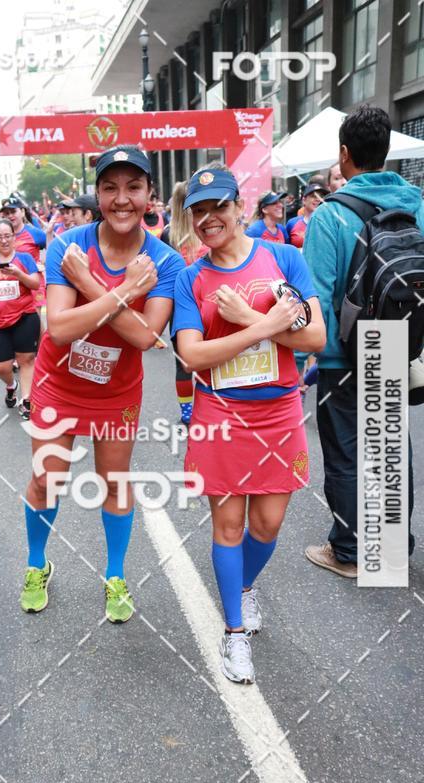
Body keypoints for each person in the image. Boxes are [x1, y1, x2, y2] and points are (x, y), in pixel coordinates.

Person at [172, 165, 325, 683]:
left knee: (267, 526)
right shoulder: (190, 278)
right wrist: (262, 325)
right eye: (199, 210)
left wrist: (246, 322)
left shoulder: (285, 258)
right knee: (229, 527)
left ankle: (242, 586)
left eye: (218, 206)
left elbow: (314, 338)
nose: (210, 218)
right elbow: (192, 355)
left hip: (280, 411)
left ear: (240, 206)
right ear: (191, 219)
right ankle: (233, 634)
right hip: (221, 414)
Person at [20, 145, 184, 620]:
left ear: (150, 194)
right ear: (97, 193)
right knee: (47, 479)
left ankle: (115, 575)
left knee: (114, 482)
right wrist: (126, 291)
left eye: (133, 187)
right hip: (59, 382)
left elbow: (145, 335)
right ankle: (36, 563)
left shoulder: (165, 262)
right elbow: (61, 328)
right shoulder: (67, 246)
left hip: (116, 392)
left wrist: (95, 287)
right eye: (110, 187)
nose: (121, 199)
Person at [302, 105, 420, 576]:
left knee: (348, 450)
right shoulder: (416, 202)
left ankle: (350, 552)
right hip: (395, 340)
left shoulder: (330, 215)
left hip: (343, 351)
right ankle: (391, 550)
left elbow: (316, 293)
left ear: (344, 154)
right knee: (389, 445)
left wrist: (318, 355)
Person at [0, 218, 41, 413]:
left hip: (25, 316)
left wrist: (19, 274)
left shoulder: (25, 258)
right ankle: (11, 386)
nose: (4, 241)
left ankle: (27, 401)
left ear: (14, 237)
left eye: (7, 236)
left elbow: (35, 284)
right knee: (1, 367)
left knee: (26, 359)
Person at [161, 180, 208, 425]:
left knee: (183, 363)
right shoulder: (204, 228)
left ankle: (188, 411)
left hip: (178, 307)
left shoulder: (169, 233)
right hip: (203, 302)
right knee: (205, 358)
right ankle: (201, 408)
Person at [286, 182, 330, 249]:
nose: (318, 199)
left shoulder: (328, 224)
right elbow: (286, 249)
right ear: (304, 200)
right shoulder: (292, 223)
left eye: (321, 196)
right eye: (313, 196)